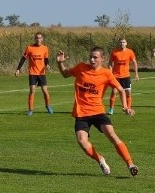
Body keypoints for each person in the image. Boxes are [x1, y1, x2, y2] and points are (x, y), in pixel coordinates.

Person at [56, 47, 139, 177]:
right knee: (82, 141)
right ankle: (100, 159)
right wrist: (60, 63)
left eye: (95, 57)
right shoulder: (81, 68)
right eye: (91, 57)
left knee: (112, 135)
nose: (92, 59)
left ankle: (130, 164)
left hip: (98, 112)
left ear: (102, 59)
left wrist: (125, 107)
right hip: (81, 113)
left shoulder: (106, 74)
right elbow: (65, 74)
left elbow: (121, 90)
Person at [14, 32, 53, 116]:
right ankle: (30, 110)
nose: (38, 39)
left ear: (42, 39)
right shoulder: (29, 48)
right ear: (34, 39)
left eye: (40, 38)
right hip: (32, 73)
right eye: (37, 38)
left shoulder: (45, 48)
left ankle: (48, 106)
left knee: (45, 91)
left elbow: (46, 59)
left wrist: (47, 65)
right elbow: (23, 59)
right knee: (32, 91)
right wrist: (18, 69)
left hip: (41, 73)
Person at [107, 38, 139, 115]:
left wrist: (136, 74)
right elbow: (110, 63)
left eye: (123, 42)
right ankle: (111, 109)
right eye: (121, 42)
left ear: (126, 43)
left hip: (126, 76)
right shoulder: (114, 52)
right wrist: (110, 74)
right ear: (119, 43)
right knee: (114, 92)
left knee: (128, 93)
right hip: (116, 76)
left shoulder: (130, 52)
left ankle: (128, 108)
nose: (122, 43)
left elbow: (134, 62)